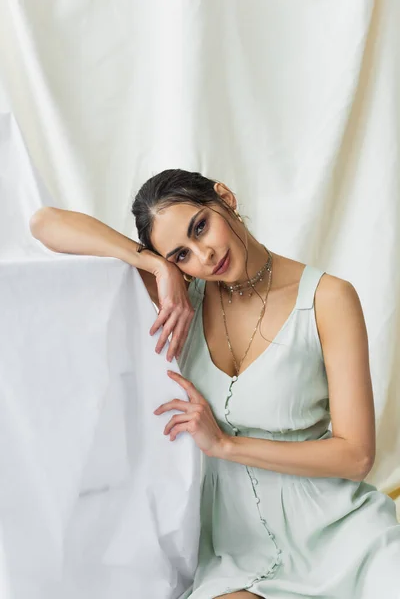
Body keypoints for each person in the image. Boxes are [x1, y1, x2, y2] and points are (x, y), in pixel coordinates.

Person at [30, 169, 400, 599]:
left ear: (225, 197)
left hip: (343, 535)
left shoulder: (328, 299)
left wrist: (225, 445)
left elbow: (356, 456)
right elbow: (44, 224)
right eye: (181, 255)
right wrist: (151, 264)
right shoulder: (183, 301)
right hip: (238, 555)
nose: (203, 257)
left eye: (200, 227)